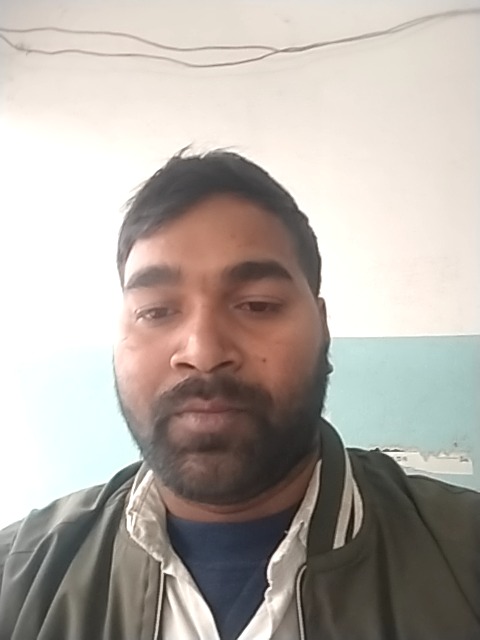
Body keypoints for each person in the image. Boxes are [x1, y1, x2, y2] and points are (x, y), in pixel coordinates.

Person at [0, 150, 479, 640]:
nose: (203, 352)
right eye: (156, 311)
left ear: (322, 328)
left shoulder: (463, 559)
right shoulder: (18, 581)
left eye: (257, 305)